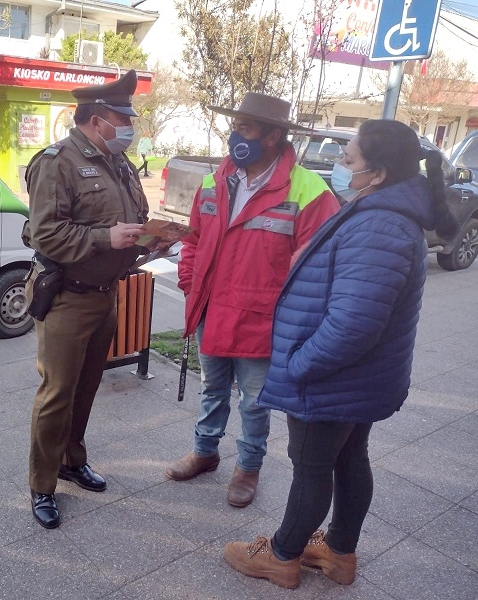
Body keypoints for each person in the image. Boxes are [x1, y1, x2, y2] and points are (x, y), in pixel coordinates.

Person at [223, 119, 457, 589]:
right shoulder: (379, 209)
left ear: (379, 172)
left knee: (312, 467)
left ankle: (283, 555)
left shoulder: (380, 224)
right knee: (350, 459)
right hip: (356, 378)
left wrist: (300, 366)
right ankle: (338, 552)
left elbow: (354, 325)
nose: (339, 166)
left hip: (331, 377)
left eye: (349, 160)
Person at [166, 93, 340, 509]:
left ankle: (248, 467)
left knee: (255, 401)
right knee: (212, 389)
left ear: (274, 135)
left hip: (262, 321)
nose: (235, 136)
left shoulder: (309, 192)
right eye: (235, 126)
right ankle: (205, 453)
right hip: (211, 310)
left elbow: (318, 270)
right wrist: (190, 281)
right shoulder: (214, 181)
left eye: (245, 128)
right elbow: (193, 240)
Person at [21, 69, 149, 529]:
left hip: (106, 296)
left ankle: (73, 460)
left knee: (87, 387)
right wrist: (105, 238)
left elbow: (132, 220)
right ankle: (42, 484)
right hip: (67, 299)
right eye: (122, 119)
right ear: (97, 119)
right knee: (57, 393)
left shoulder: (119, 164)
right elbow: (46, 234)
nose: (129, 128)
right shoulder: (57, 162)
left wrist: (151, 241)